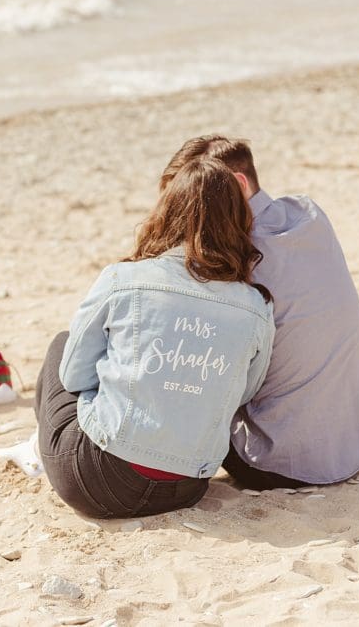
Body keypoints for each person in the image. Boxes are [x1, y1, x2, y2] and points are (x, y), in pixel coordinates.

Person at [34, 157, 274, 518]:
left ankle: (39, 450)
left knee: (61, 345)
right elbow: (244, 391)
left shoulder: (123, 280)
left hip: (98, 480)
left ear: (167, 212)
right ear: (239, 221)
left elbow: (72, 378)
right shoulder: (256, 306)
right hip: (186, 487)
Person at [161, 135, 359, 490]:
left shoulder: (237, 258)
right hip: (357, 447)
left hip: (276, 465)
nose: (186, 216)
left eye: (192, 200)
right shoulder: (309, 213)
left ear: (237, 185)